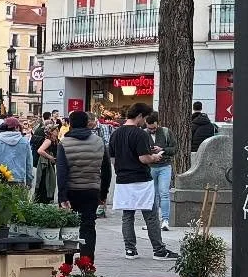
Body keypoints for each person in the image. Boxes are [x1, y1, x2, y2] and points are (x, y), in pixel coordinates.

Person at [108, 103, 177, 259]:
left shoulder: (115, 134)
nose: (145, 122)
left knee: (128, 216)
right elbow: (144, 158)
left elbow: (113, 158)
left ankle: (130, 250)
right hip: (141, 180)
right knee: (151, 216)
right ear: (139, 116)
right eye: (145, 118)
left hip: (123, 180)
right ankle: (159, 250)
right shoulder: (140, 134)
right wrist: (155, 157)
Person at [56, 110, 110, 263]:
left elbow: (62, 173)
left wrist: (62, 197)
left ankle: (66, 264)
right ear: (87, 123)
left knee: (69, 228)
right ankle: (87, 263)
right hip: (91, 191)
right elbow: (106, 170)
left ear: (70, 124)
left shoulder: (64, 144)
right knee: (88, 226)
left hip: (71, 192)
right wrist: (103, 194)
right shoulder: (99, 142)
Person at [145, 110, 176, 231]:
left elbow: (174, 148)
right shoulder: (144, 133)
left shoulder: (166, 132)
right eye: (149, 129)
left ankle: (165, 220)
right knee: (152, 194)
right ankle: (153, 221)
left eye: (153, 128)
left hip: (164, 165)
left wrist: (162, 149)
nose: (151, 130)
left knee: (163, 192)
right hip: (150, 166)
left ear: (157, 124)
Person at [0, 116, 34, 185]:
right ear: (17, 127)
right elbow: (29, 163)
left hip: (1, 179)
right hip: (19, 179)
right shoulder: (25, 142)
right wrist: (29, 180)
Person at [34, 119, 60, 204]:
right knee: (46, 181)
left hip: (49, 164)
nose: (57, 131)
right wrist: (50, 157)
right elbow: (40, 150)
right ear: (51, 132)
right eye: (55, 130)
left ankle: (45, 199)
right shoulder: (48, 141)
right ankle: (43, 199)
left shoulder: (54, 141)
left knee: (48, 181)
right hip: (46, 165)